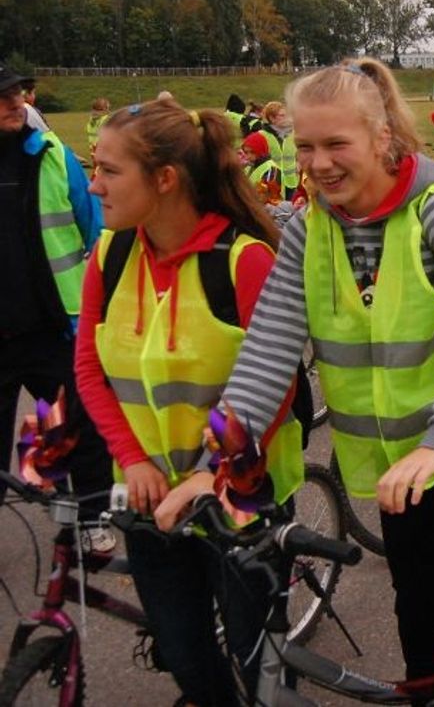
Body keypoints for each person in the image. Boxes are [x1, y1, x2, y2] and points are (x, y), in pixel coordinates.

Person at [216, 57, 434, 707]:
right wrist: (217, 450)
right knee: (416, 600)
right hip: (402, 454)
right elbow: (269, 350)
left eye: (336, 144)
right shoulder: (308, 230)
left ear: (384, 139)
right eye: (305, 146)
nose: (318, 162)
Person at [74, 98, 305, 706]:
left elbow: (274, 387)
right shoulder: (111, 253)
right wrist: (133, 460)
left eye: (108, 170)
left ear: (165, 179)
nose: (93, 184)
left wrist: (211, 477)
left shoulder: (243, 259)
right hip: (153, 499)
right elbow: (88, 369)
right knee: (185, 658)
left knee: (263, 671)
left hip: (241, 500)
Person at [0, 59, 114, 548]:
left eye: (19, 93)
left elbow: (93, 225)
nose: (15, 102)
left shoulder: (51, 154)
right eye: (4, 96)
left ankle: (90, 519)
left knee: (76, 427)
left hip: (56, 326)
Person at [85, 97, 111, 163]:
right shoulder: (96, 120)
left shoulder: (101, 120)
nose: (95, 112)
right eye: (94, 109)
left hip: (97, 148)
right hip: (97, 148)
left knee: (98, 167)